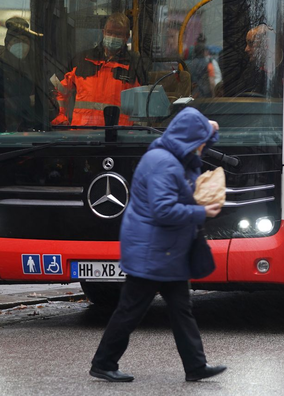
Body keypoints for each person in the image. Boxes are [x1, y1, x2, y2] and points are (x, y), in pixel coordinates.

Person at [90, 107, 226, 383]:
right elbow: (163, 211)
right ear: (188, 140)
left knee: (181, 309)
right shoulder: (163, 163)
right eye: (199, 141)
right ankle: (104, 362)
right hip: (151, 252)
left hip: (165, 251)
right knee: (131, 309)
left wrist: (211, 129)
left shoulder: (176, 155)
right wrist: (202, 213)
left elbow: (200, 143)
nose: (203, 148)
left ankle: (196, 366)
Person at [52, 12, 147, 126]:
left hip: (119, 137)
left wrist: (136, 135)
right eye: (110, 32)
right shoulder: (82, 59)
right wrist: (60, 119)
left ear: (126, 37)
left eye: (118, 34)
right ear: (103, 32)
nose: (112, 37)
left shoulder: (134, 65)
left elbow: (144, 103)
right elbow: (56, 89)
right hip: (81, 136)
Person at [0, 17, 55, 132]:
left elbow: (52, 107)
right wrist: (27, 101)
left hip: (32, 138)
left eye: (25, 41)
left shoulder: (35, 69)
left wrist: (45, 102)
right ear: (8, 44)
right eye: (16, 41)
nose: (21, 45)